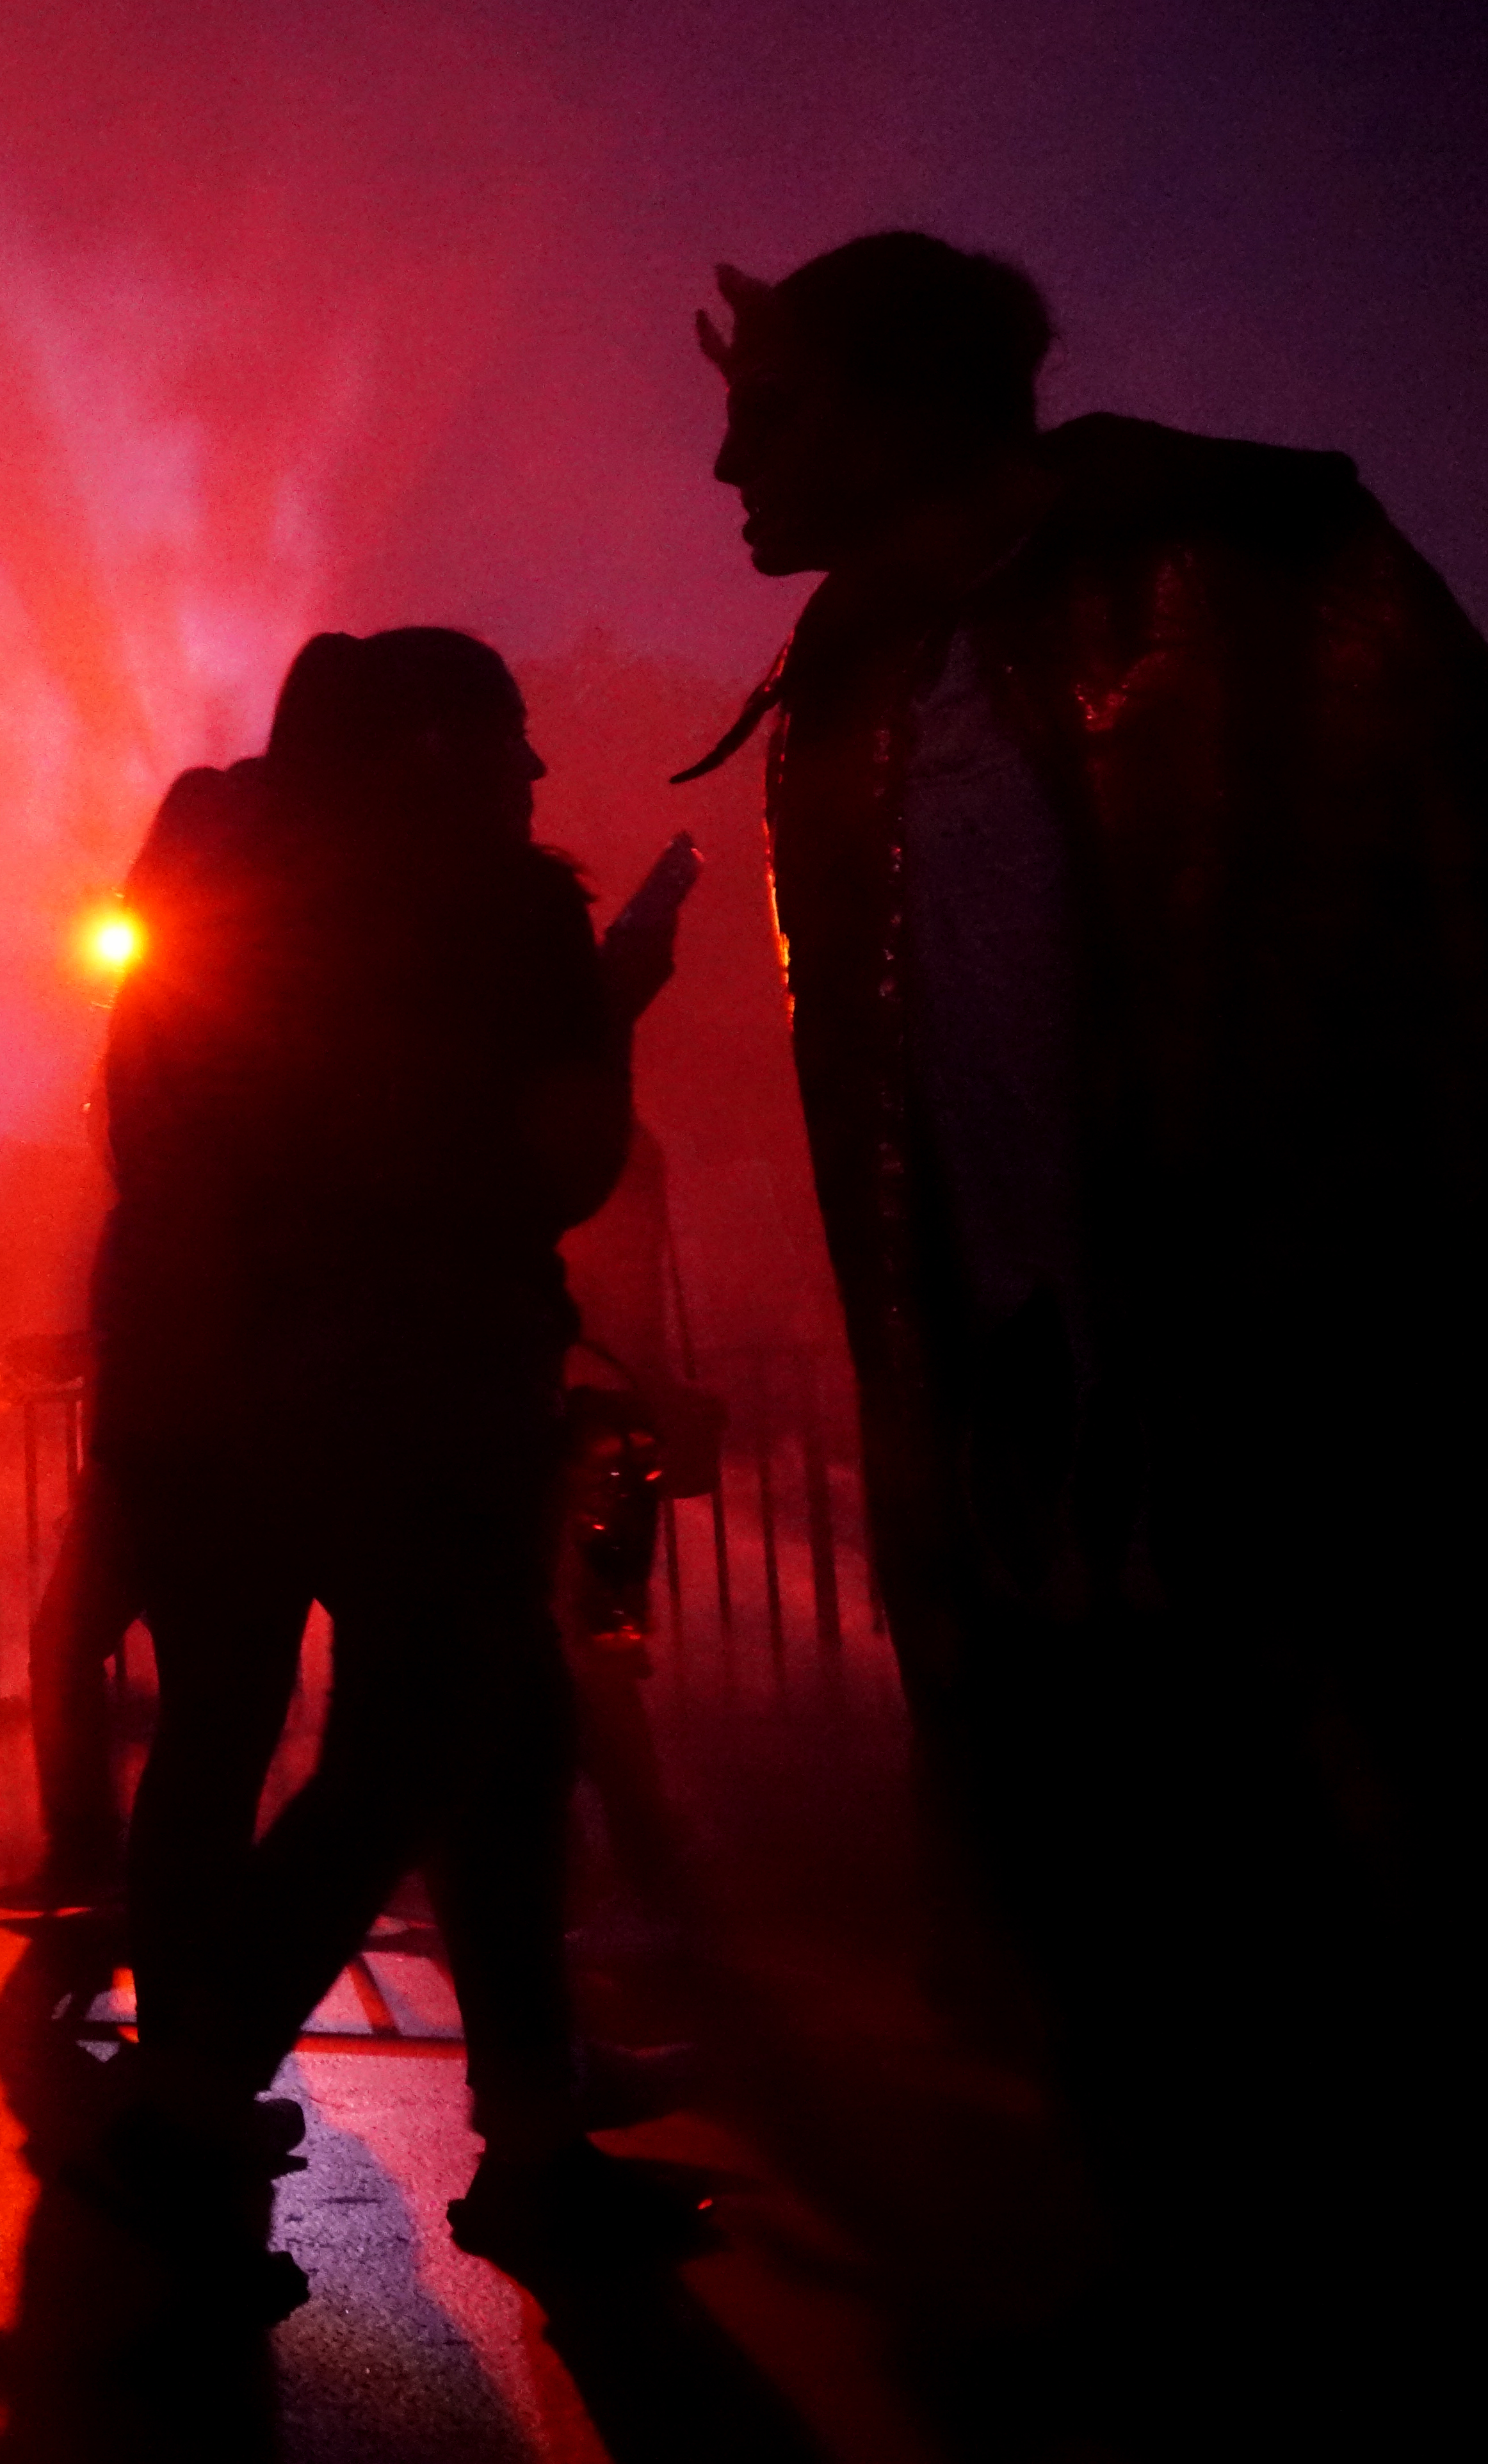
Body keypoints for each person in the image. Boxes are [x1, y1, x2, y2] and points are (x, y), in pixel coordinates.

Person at [684, 232, 1484, 2429]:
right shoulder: (840, 677)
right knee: (1125, 1886)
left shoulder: (1255, 560)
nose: (729, 456)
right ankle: (1202, 2304)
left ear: (888, 403)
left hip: (1311, 1360)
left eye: (771, 406)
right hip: (1022, 1402)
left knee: (1365, 1855)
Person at [94, 629, 699, 2312]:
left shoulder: (236, 907)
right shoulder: (497, 908)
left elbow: (169, 1154)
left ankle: (529, 2136)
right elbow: (560, 1159)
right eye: (509, 744)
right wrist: (617, 989)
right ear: (436, 751)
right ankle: (193, 2102)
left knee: (480, 1746)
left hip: (243, 1393)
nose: (532, 780)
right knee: (415, 1752)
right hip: (435, 1386)